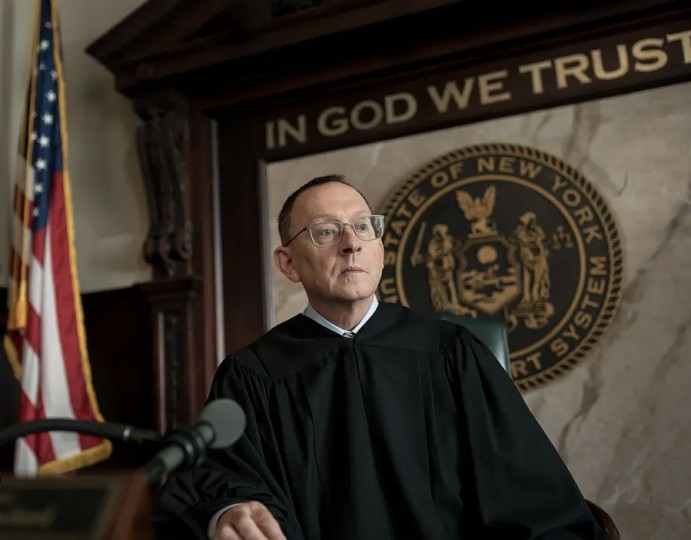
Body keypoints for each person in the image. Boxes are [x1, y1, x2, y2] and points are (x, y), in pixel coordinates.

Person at [154, 175, 607, 540]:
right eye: (326, 231)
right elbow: (218, 485)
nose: (350, 243)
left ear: (380, 249)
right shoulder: (255, 375)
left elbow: (527, 488)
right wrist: (228, 513)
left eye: (363, 227)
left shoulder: (450, 351)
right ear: (288, 263)